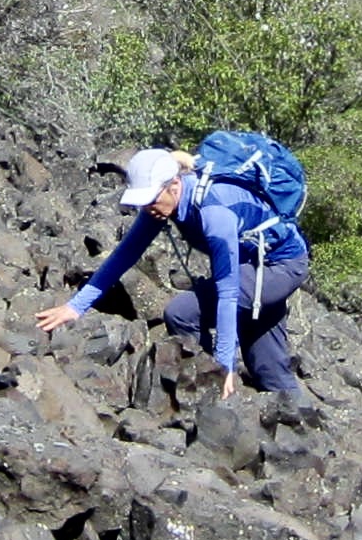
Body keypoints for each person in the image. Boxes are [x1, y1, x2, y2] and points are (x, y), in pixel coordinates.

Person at [33, 145, 309, 398]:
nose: (147, 207)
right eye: (142, 201)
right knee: (271, 372)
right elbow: (124, 256)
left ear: (174, 185)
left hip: (280, 266)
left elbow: (228, 292)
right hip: (253, 264)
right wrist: (75, 307)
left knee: (182, 313)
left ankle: (210, 384)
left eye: (151, 199)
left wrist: (223, 367)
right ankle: (293, 412)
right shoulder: (160, 205)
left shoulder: (214, 212)